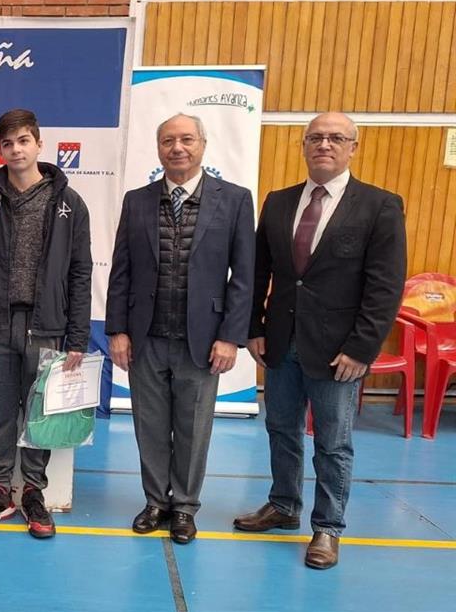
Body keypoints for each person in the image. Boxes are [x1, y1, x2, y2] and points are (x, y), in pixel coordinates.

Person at [234, 112, 406, 569]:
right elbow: (259, 273)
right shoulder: (278, 202)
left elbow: (385, 286)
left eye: (335, 138)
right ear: (304, 146)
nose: (324, 144)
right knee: (280, 430)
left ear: (353, 146)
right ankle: (284, 505)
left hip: (339, 352)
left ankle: (328, 528)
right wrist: (253, 327)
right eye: (315, 137)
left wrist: (362, 348)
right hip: (280, 342)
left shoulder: (379, 206)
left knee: (333, 442)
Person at [105, 114, 255, 544]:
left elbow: (243, 276)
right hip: (146, 336)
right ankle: (156, 501)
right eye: (168, 140)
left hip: (204, 340)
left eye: (187, 139)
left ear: (203, 145)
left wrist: (230, 336)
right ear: (158, 148)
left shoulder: (235, 200)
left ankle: (185, 505)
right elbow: (121, 271)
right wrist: (117, 329)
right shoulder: (136, 201)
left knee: (193, 426)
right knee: (149, 424)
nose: (177, 148)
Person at [0, 108, 92, 539]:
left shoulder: (70, 203)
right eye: (7, 143)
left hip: (47, 326)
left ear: (38, 144)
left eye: (23, 141)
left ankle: (33, 491)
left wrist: (77, 336)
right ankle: (0, 489)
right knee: (1, 414)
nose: (16, 150)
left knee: (40, 417)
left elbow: (80, 273)